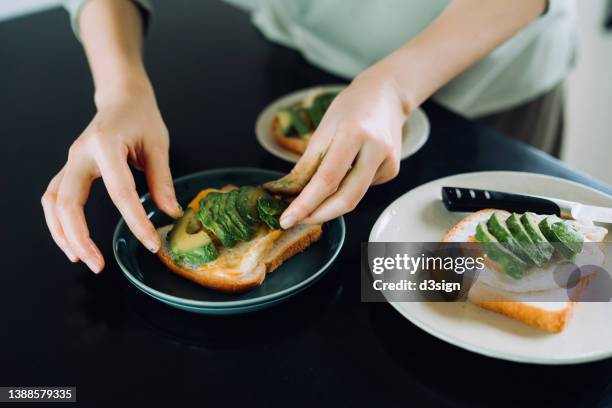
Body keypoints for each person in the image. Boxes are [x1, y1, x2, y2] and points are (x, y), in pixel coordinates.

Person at [43, 0, 575, 273]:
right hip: (294, 62)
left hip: (484, 90)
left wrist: (393, 87)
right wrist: (119, 91)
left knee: (515, 276)